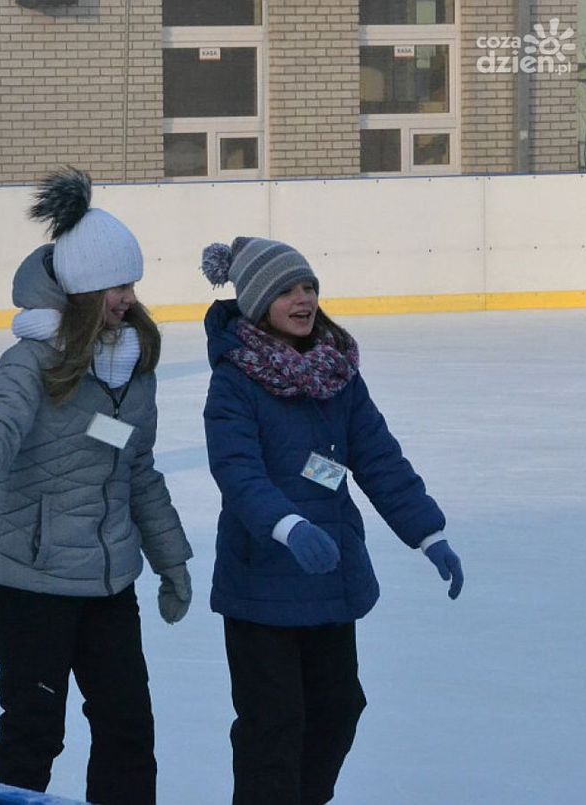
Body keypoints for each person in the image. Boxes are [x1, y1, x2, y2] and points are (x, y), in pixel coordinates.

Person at [0, 168, 193, 804]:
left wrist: (172, 560)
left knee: (128, 729)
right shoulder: (32, 361)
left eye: (131, 283)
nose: (127, 297)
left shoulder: (133, 365)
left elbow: (138, 471)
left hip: (109, 584)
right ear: (80, 290)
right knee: (33, 732)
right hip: (34, 582)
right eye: (113, 286)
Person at [199, 236, 466, 805]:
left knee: (339, 708)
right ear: (255, 301)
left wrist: (429, 533)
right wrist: (288, 526)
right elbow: (236, 470)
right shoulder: (234, 380)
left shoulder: (337, 373)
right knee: (273, 726)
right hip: (262, 587)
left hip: (327, 581)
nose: (303, 300)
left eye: (309, 287)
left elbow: (379, 458)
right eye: (286, 291)